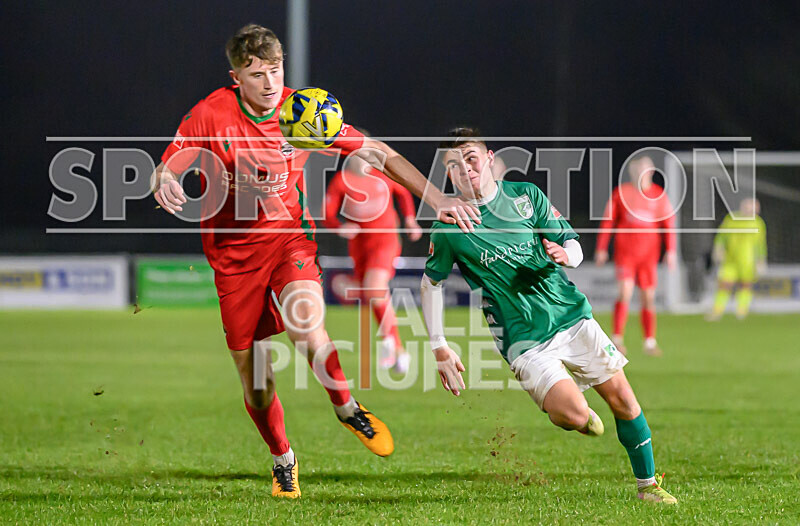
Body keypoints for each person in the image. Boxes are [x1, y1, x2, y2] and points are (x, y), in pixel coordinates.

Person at [152, 24, 480, 499]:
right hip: (233, 260)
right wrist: (165, 181)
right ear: (236, 77)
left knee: (307, 323)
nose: (269, 83)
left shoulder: (304, 111)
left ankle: (348, 408)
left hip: (289, 242)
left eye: (276, 70)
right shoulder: (211, 114)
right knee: (257, 383)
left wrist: (435, 198)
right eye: (257, 74)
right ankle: (282, 458)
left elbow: (379, 154)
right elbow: (170, 163)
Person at [420, 129, 677, 504]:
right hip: (523, 339)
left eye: (471, 159)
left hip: (571, 316)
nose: (465, 169)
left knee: (623, 398)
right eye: (454, 166)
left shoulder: (526, 196)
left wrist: (567, 255)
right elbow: (432, 284)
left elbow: (573, 244)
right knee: (572, 416)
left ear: (489, 159)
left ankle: (648, 486)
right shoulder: (448, 226)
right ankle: (582, 416)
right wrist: (440, 346)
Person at [324, 153, 422, 373]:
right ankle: (398, 349)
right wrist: (340, 227)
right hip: (359, 246)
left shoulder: (382, 176)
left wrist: (409, 219)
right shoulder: (342, 180)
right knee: (372, 294)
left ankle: (389, 343)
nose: (362, 161)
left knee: (375, 287)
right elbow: (327, 213)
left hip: (385, 240)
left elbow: (403, 193)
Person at [595, 156, 676, 356]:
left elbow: (668, 225)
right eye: (638, 169)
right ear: (633, 172)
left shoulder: (659, 195)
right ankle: (617, 339)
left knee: (648, 297)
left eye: (645, 169)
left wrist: (671, 250)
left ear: (651, 171)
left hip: (649, 256)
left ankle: (649, 342)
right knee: (625, 292)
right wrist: (601, 247)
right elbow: (608, 221)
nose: (642, 172)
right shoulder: (621, 193)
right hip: (626, 254)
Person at [708, 198, 766, 320]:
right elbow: (721, 236)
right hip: (730, 260)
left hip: (748, 261)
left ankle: (741, 310)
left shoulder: (759, 223)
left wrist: (761, 260)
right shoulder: (731, 219)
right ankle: (717, 311)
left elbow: (761, 244)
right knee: (725, 284)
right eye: (749, 207)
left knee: (746, 285)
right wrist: (718, 249)